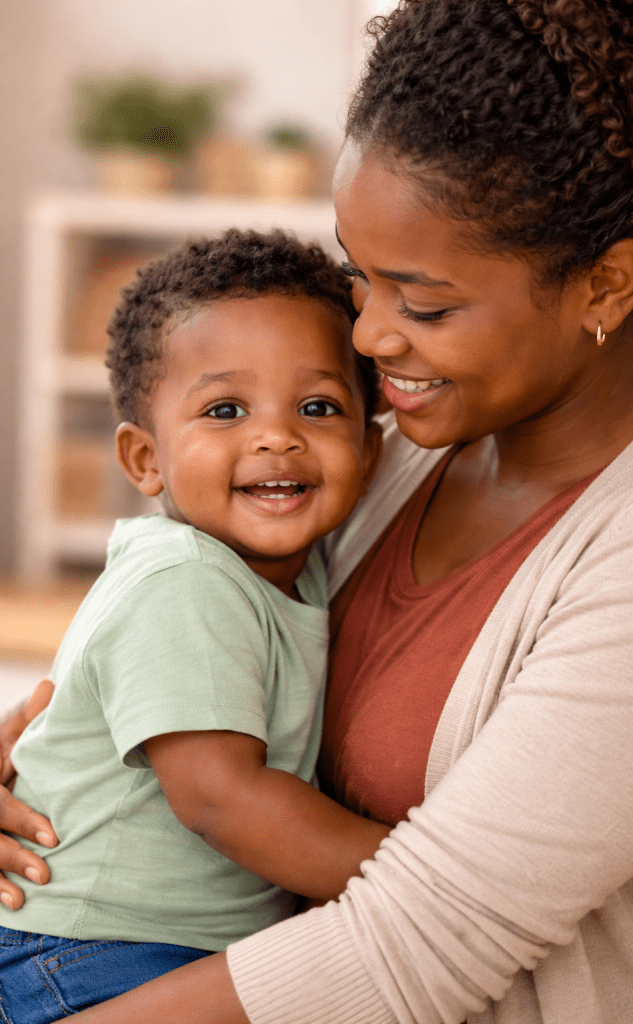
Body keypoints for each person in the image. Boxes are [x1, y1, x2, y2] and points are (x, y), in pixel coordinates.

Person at [1, 0, 633, 1020]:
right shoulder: (388, 446)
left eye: (423, 303)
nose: (363, 340)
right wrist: (34, 773)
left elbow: (417, 941)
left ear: (605, 284)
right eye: (358, 279)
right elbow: (171, 659)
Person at [0, 228, 389, 1018]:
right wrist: (418, 875)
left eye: (317, 407)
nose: (276, 436)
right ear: (145, 461)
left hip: (145, 945)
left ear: (369, 452)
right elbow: (220, 798)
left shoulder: (297, 565)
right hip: (87, 951)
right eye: (224, 409)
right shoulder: (185, 580)